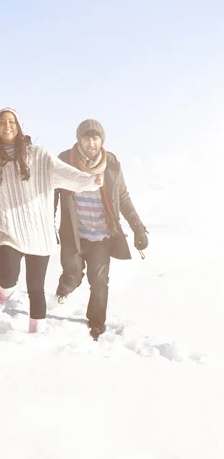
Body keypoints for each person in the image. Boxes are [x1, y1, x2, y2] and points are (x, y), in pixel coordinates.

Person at [0, 108, 102, 334]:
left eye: (12, 122)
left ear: (19, 127)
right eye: (2, 122)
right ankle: (4, 293)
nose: (7, 126)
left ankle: (36, 335)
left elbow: (65, 173)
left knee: (36, 288)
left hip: (38, 233)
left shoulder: (39, 156)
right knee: (7, 275)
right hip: (8, 231)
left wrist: (89, 180)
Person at [54, 119, 149, 340]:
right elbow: (52, 192)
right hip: (74, 235)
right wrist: (48, 222)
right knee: (73, 274)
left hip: (102, 236)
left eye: (95, 138)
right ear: (78, 139)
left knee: (99, 283)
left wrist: (138, 227)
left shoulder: (112, 164)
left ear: (101, 141)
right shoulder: (65, 161)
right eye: (86, 138)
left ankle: (96, 324)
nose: (91, 143)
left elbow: (123, 197)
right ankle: (65, 287)